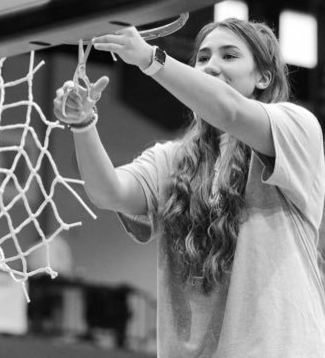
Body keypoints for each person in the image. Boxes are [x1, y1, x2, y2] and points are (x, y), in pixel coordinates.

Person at [53, 18, 325, 357]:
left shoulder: (296, 128)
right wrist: (83, 124)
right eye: (203, 57)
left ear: (263, 77)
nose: (211, 66)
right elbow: (108, 192)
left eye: (229, 56)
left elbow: (229, 111)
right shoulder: (173, 159)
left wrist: (152, 59)